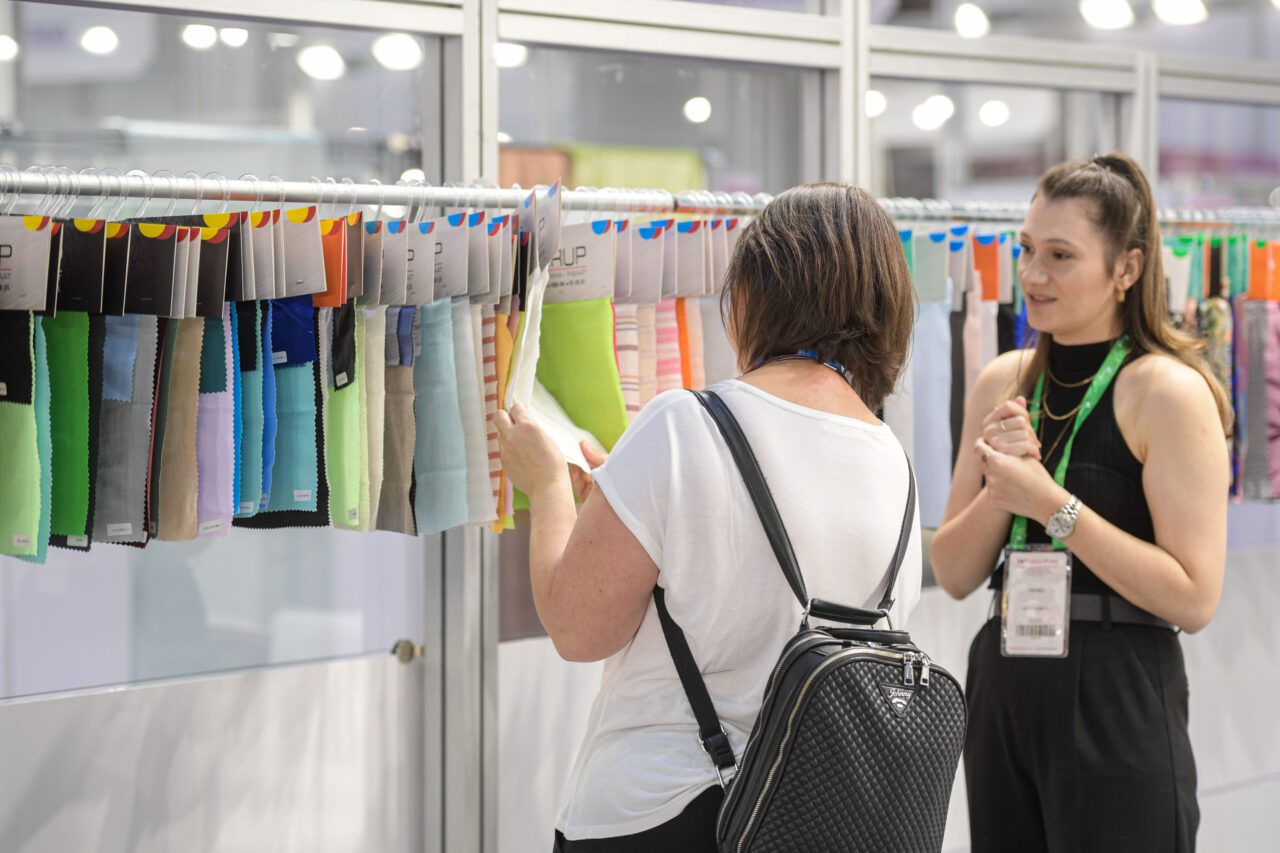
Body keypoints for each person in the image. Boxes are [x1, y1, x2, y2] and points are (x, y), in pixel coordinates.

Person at [495, 183, 922, 851]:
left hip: (668, 811)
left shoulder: (683, 423)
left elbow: (578, 628)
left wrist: (547, 486)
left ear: (753, 294)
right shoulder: (892, 459)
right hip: (815, 819)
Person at [930, 153, 1232, 853]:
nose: (1033, 275)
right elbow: (952, 571)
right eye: (1026, 250)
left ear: (1127, 268)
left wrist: (1052, 504)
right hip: (1005, 679)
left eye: (1060, 255)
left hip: (1116, 686)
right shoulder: (1003, 381)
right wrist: (1004, 489)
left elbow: (1194, 597)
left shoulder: (1167, 391)